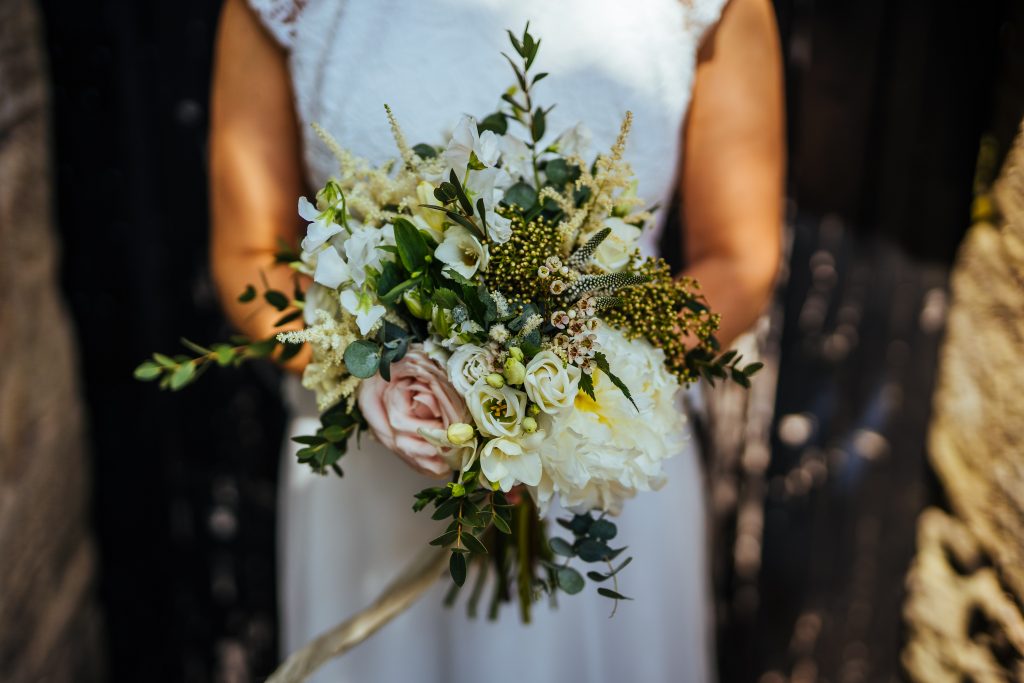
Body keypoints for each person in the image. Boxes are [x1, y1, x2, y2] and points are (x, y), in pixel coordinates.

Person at [209, 0, 783, 680]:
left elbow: (738, 260)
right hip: (375, 468)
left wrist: (559, 400)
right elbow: (249, 253)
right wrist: (418, 384)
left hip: (599, 463)